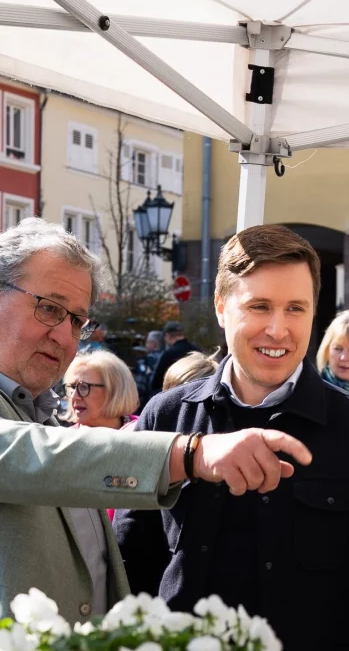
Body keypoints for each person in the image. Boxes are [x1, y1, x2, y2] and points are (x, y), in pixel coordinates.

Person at [114, 225, 349, 651]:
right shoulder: (165, 418)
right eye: (259, 306)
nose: (278, 329)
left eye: (295, 309)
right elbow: (129, 568)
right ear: (221, 306)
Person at [0, 218, 313, 624]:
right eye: (49, 309)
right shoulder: (55, 434)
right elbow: (24, 454)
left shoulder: (47, 417)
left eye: (77, 321)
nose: (64, 336)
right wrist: (191, 453)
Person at [65, 350, 140, 430]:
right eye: (72, 387)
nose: (74, 396)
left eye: (84, 387)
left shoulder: (145, 429)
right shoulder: (66, 439)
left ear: (114, 391)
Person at [150, 321, 201, 395]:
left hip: (173, 396)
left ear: (167, 336)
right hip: (196, 393)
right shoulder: (197, 351)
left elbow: (156, 382)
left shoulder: (169, 354)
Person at [134, 329, 164, 408]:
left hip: (147, 400)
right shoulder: (166, 358)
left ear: (154, 344)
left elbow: (140, 384)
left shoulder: (147, 360)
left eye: (147, 342)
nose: (145, 345)